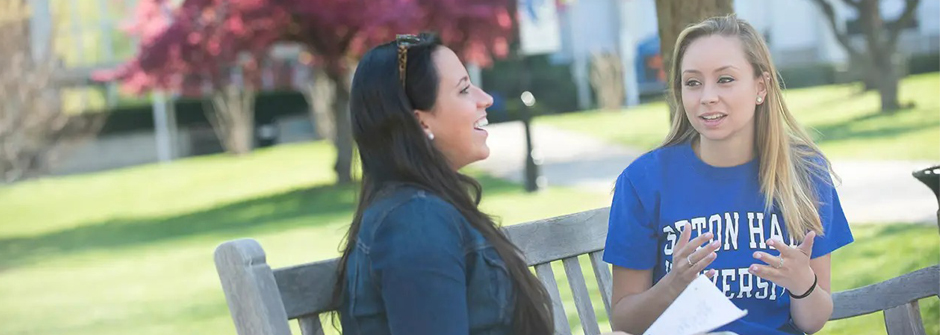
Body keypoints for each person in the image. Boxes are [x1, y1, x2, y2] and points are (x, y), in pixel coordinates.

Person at [603, 15, 854, 335]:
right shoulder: (643, 183)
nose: (707, 96)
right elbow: (624, 323)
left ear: (760, 87)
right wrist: (672, 285)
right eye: (693, 82)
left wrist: (802, 283)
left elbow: (812, 321)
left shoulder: (804, 174)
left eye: (725, 79)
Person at [331, 32, 559, 335]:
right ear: (420, 121)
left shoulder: (419, 211)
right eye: (464, 90)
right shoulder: (413, 223)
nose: (485, 99)